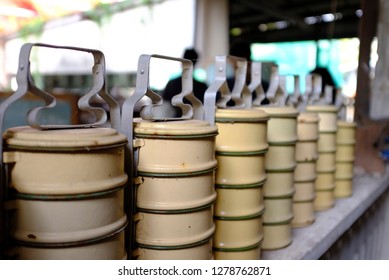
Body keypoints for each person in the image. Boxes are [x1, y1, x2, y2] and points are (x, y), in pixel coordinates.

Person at [161, 48, 208, 116]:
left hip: (172, 122)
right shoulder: (202, 86)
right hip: (196, 122)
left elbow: (164, 105)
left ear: (182, 61)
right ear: (195, 63)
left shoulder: (172, 84)